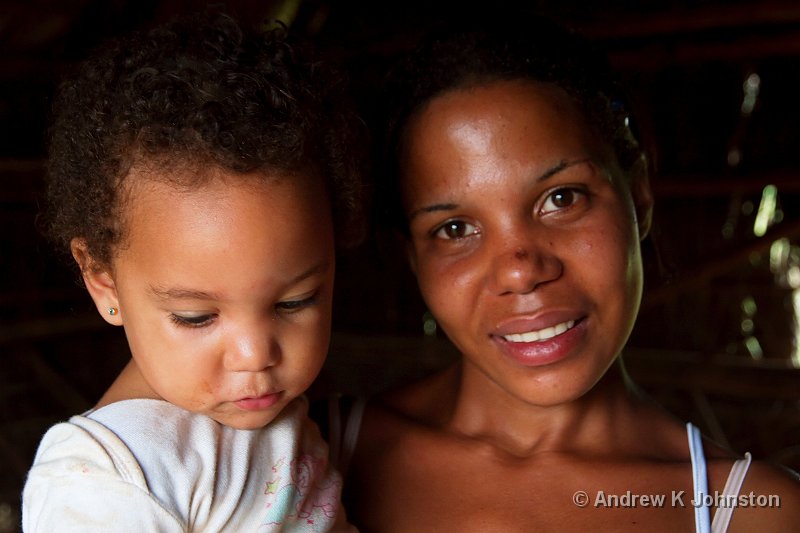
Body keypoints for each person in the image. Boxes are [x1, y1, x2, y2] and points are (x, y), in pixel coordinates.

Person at [335, 14, 800, 532]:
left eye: (561, 198)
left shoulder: (750, 514)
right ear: (412, 257)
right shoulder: (312, 457)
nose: (520, 272)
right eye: (455, 228)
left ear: (638, 196)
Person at [22, 10, 363, 532]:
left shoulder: (289, 419)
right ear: (102, 281)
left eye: (295, 301)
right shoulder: (105, 481)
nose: (255, 355)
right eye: (196, 316)